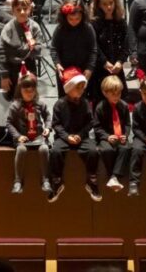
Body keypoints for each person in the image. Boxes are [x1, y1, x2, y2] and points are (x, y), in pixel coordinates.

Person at [49, 68, 100, 203]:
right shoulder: (59, 104)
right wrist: (66, 137)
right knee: (55, 151)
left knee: (93, 151)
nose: (81, 91)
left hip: (81, 137)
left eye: (83, 88)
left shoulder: (84, 103)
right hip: (63, 137)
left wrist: (80, 135)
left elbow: (90, 122)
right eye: (78, 88)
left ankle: (91, 180)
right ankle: (57, 181)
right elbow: (56, 124)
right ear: (69, 88)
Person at [6, 72, 51, 195]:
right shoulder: (15, 106)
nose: (29, 94)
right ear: (20, 91)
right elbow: (9, 123)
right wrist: (18, 136)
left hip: (38, 136)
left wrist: (48, 127)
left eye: (32, 91)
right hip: (23, 137)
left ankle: (46, 180)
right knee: (21, 150)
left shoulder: (40, 104)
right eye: (26, 92)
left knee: (44, 149)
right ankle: (18, 181)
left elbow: (48, 116)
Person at [87, 0, 132, 103]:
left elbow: (126, 45)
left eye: (111, 3)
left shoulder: (120, 22)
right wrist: (104, 62)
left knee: (119, 100)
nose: (108, 7)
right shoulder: (94, 23)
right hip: (101, 68)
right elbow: (94, 46)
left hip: (117, 67)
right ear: (98, 5)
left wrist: (120, 62)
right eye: (104, 4)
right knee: (100, 102)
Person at [50, 0, 97, 97]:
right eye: (70, 19)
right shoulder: (60, 28)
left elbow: (93, 50)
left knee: (82, 99)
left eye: (77, 19)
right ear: (65, 16)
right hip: (65, 70)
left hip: (82, 70)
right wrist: (57, 64)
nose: (74, 21)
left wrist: (89, 68)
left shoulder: (87, 28)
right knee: (64, 98)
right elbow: (54, 48)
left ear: (82, 16)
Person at [93, 75, 130, 192]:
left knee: (126, 148)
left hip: (120, 137)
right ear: (105, 93)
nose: (117, 96)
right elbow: (97, 128)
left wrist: (126, 135)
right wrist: (107, 137)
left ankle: (114, 177)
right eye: (113, 94)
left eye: (119, 93)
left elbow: (128, 124)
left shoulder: (124, 106)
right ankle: (112, 176)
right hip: (106, 137)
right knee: (107, 150)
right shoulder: (100, 107)